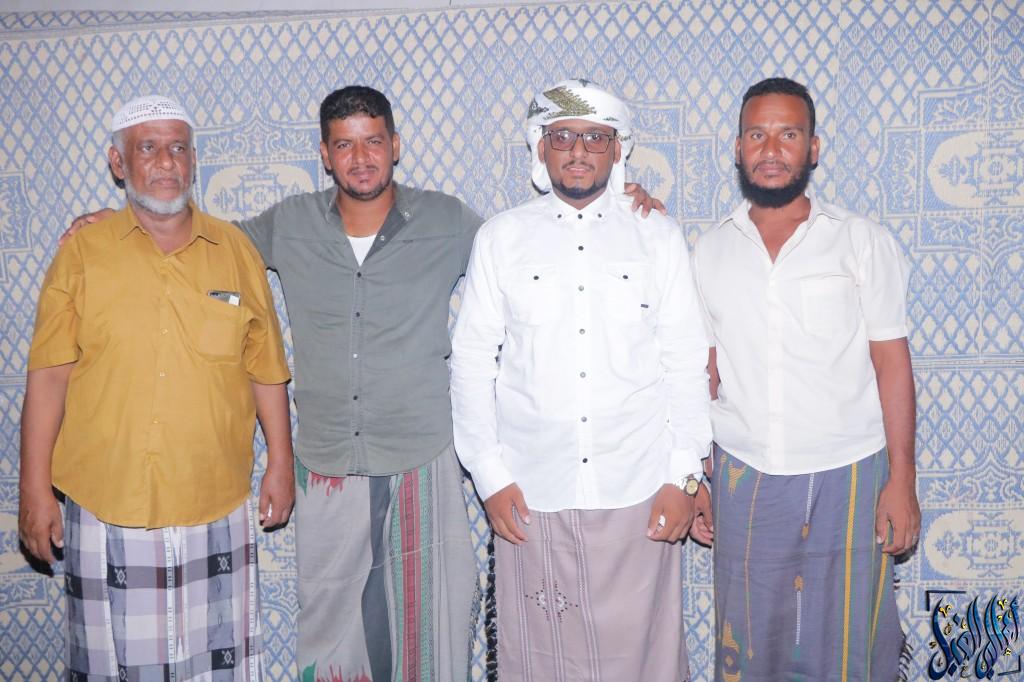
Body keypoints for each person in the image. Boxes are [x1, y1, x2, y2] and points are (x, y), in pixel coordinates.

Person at [63, 85, 662, 681]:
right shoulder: (288, 223)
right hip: (327, 459)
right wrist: (127, 219)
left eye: (373, 141)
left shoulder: (447, 220)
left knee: (433, 626)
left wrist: (617, 202)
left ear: (395, 145)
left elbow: (534, 247)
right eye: (344, 145)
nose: (361, 158)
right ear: (325, 155)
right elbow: (200, 240)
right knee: (330, 628)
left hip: (422, 453)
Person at [19, 95, 294, 680]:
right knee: (113, 665)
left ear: (193, 159)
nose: (166, 161)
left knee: (214, 665)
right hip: (106, 502)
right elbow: (49, 375)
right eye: (148, 148)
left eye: (178, 148)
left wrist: (281, 463)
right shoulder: (82, 254)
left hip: (214, 499)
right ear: (119, 163)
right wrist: (34, 488)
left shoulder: (236, 252)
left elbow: (265, 368)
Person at [449, 79, 712, 681]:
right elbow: (471, 360)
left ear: (618, 150)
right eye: (562, 136)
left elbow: (684, 361)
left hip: (640, 487)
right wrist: (488, 475)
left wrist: (684, 475)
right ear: (540, 147)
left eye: (595, 138)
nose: (578, 150)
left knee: (642, 663)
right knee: (542, 663)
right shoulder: (501, 238)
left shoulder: (657, 236)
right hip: (530, 492)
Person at [689, 77, 921, 681]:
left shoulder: (861, 242)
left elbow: (892, 363)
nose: (771, 150)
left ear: (813, 148)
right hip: (744, 476)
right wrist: (692, 476)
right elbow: (702, 374)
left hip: (850, 473)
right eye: (757, 135)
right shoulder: (708, 252)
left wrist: (902, 479)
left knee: (850, 640)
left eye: (788, 135)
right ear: (737, 148)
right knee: (749, 640)